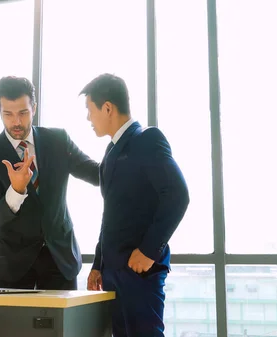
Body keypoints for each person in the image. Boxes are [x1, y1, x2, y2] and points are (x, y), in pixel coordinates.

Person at [82, 73, 190, 337]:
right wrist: (98, 264)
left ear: (107, 108)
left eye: (90, 110)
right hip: (113, 273)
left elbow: (177, 195)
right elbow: (111, 215)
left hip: (140, 272)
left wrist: (149, 250)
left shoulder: (147, 139)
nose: (88, 118)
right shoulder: (109, 152)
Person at [0, 76, 100, 290]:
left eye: (23, 113)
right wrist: (16, 190)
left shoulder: (58, 141)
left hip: (60, 259)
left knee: (62, 324)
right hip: (13, 264)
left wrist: (124, 151)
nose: (16, 122)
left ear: (34, 107)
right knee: (12, 325)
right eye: (8, 114)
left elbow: (96, 173)